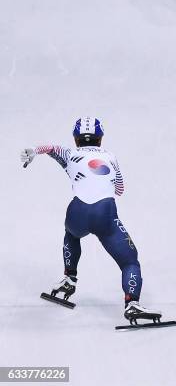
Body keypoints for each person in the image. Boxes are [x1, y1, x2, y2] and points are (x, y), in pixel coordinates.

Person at [21, 117, 162, 323]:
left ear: (76, 139)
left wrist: (33, 151)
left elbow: (49, 148)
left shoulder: (69, 153)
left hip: (76, 213)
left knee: (71, 234)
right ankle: (132, 304)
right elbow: (120, 190)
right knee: (130, 261)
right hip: (105, 214)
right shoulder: (110, 156)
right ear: (100, 139)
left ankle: (69, 279)